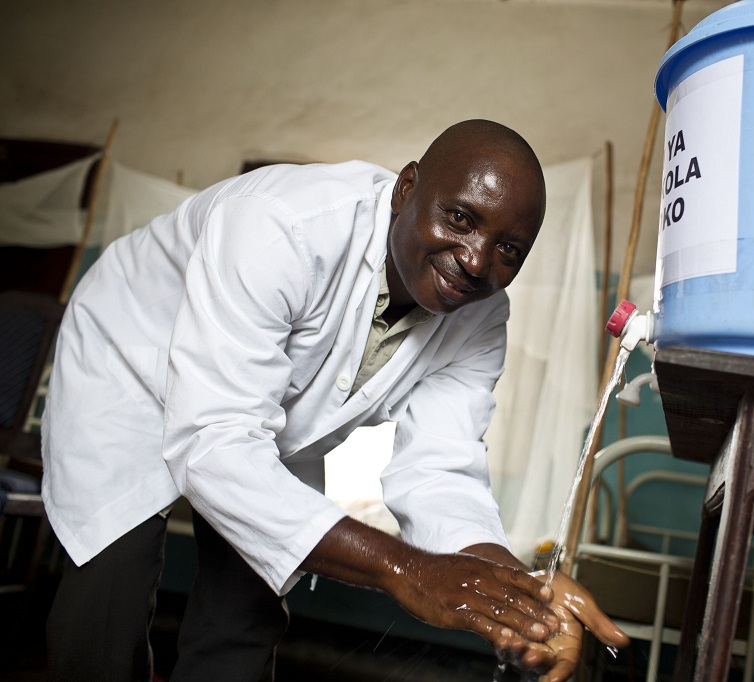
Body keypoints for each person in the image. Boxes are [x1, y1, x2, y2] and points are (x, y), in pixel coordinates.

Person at [41, 119, 628, 681]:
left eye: (509, 249)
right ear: (405, 188)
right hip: (131, 363)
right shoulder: (286, 225)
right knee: (107, 605)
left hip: (262, 419)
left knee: (247, 607)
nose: (476, 260)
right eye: (459, 217)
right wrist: (405, 568)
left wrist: (519, 588)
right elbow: (213, 444)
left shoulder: (481, 316)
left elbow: (439, 468)